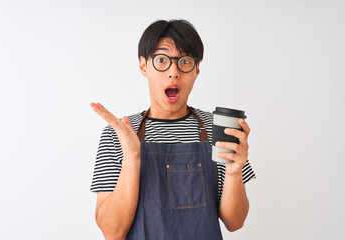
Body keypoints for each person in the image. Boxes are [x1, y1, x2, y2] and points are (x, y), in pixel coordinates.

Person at [90, 19, 256, 240]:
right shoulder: (117, 134)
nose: (174, 72)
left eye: (185, 61)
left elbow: (235, 223)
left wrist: (235, 172)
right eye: (161, 60)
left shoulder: (219, 129)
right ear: (143, 65)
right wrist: (131, 157)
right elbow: (112, 232)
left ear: (197, 69)